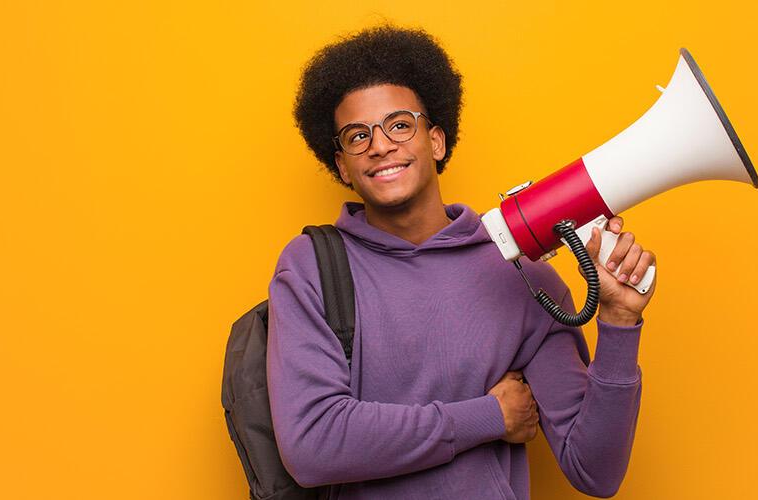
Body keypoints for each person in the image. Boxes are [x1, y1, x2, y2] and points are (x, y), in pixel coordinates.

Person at [266, 25, 654, 499]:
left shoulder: (522, 274)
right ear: (343, 166)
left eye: (400, 124)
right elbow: (313, 445)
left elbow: (595, 471)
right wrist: (489, 416)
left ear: (436, 141)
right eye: (356, 135)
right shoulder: (310, 267)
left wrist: (618, 322)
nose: (380, 145)